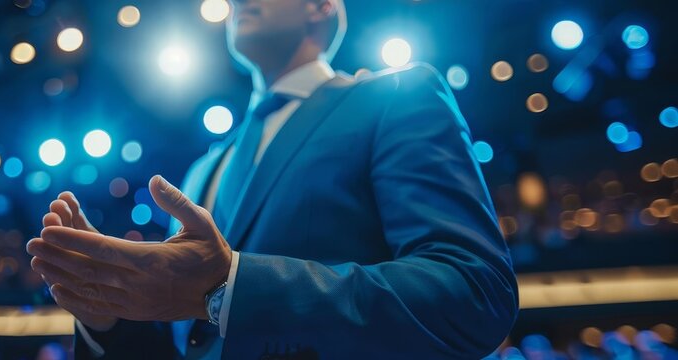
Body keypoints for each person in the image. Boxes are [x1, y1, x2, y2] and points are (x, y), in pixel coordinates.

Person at [26, 0, 519, 358]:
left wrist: (234, 286)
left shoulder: (394, 96)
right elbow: (190, 342)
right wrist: (109, 317)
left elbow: (474, 290)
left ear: (321, 7)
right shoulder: (204, 170)